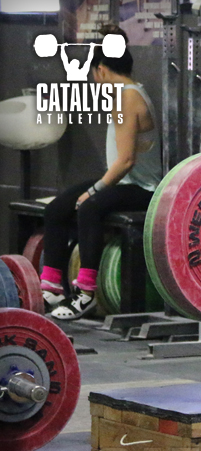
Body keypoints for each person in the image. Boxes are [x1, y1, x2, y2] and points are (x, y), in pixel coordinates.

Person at [40, 26, 162, 320]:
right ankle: (52, 288)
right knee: (57, 208)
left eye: (94, 75)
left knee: (89, 207)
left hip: (143, 189)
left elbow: (127, 161)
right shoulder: (127, 93)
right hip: (124, 183)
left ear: (102, 70)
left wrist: (94, 191)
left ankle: (86, 293)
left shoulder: (127, 98)